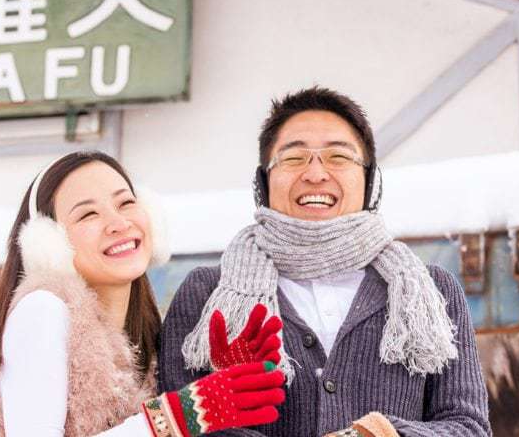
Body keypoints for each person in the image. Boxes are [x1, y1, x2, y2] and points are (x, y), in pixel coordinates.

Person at [159, 87, 491, 437]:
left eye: (338, 157)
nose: (316, 174)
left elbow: (467, 428)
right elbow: (180, 429)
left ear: (369, 182)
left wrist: (382, 434)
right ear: (262, 182)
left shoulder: (432, 292)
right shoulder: (207, 293)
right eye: (293, 158)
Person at [0, 150, 286, 437]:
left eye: (126, 203)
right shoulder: (43, 310)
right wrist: (180, 415)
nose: (118, 223)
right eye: (88, 213)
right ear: (49, 243)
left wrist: (220, 380)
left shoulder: (142, 341)